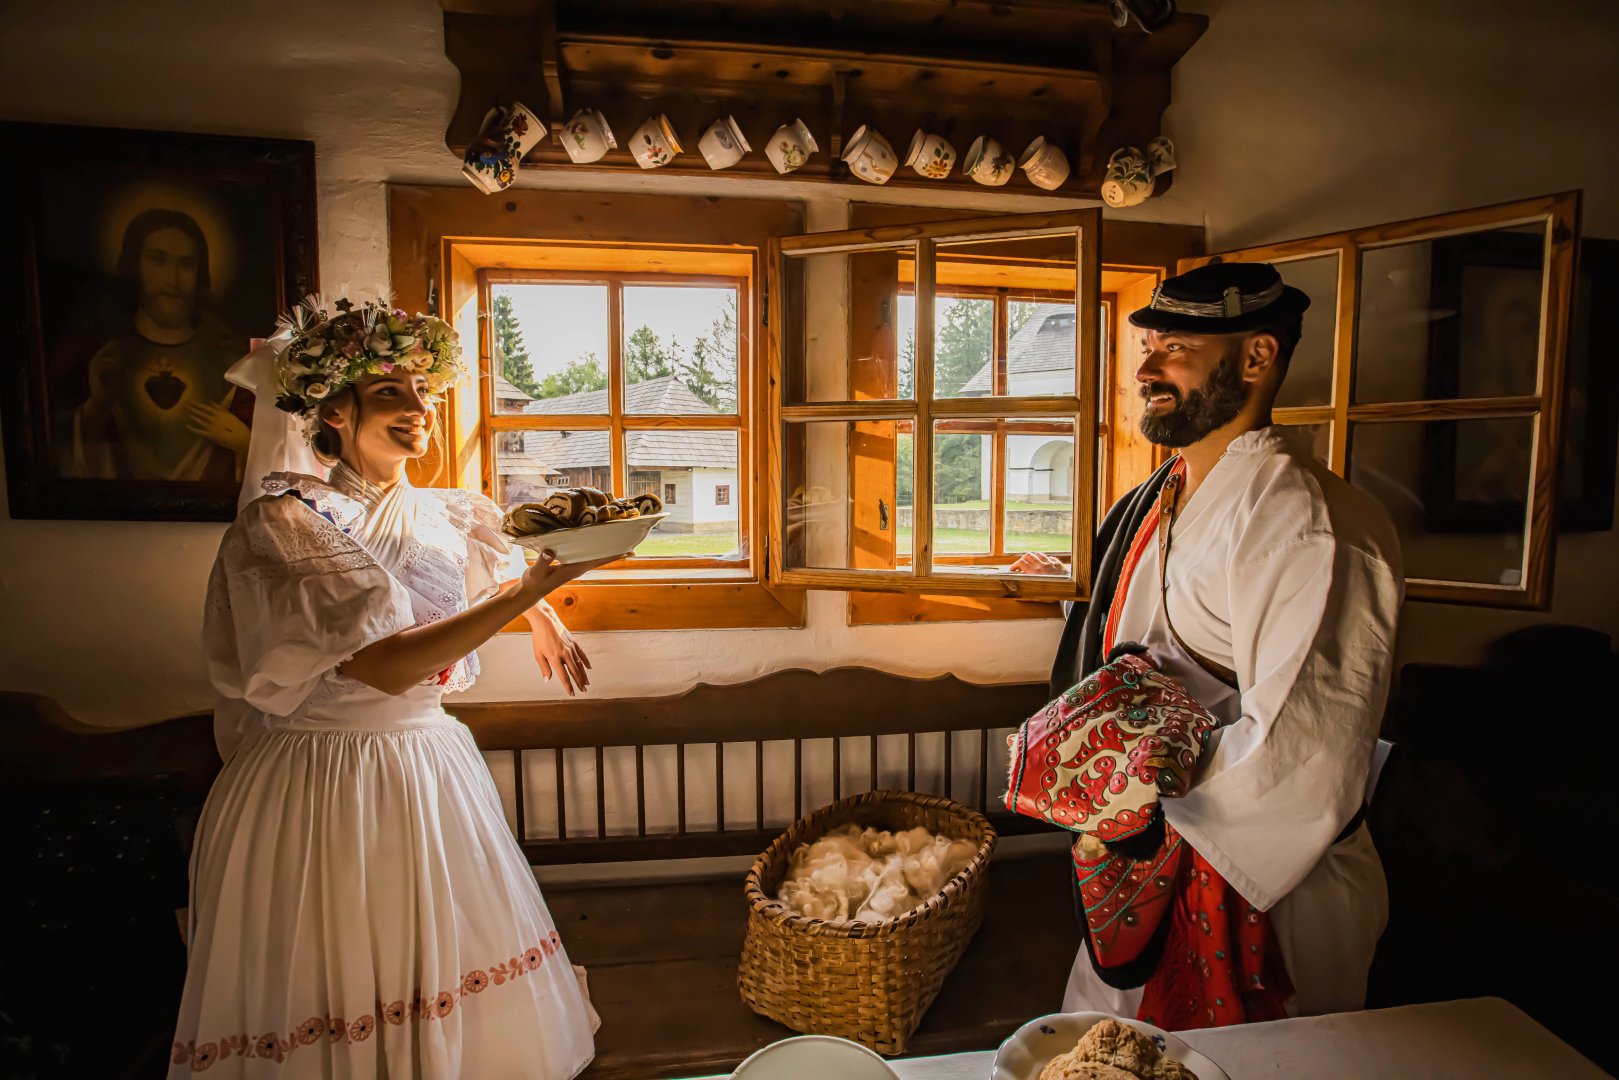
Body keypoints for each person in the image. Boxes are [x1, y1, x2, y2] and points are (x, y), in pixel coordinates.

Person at [169, 298, 615, 1078]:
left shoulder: (452, 514)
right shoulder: (285, 524)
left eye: (423, 393)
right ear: (335, 411)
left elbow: (480, 574)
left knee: (438, 949)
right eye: (390, 393)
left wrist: (539, 610)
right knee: (334, 961)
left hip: (428, 765)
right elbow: (380, 663)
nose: (418, 409)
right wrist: (528, 594)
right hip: (320, 775)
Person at [1011, 262, 1403, 1027]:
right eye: (1147, 347)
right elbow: (1143, 629)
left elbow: (1303, 754)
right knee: (1107, 1049)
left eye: (1175, 348)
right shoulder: (1165, 493)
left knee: (1249, 1065)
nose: (1145, 369)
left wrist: (1131, 802)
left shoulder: (1305, 524)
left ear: (1256, 356)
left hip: (1264, 886)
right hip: (1144, 855)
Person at [50, 208, 250, 482]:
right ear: (135, 266)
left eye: (186, 264)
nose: (173, 279)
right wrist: (97, 409)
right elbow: (45, 439)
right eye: (158, 260)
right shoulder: (97, 353)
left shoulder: (232, 360)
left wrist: (244, 442)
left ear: (200, 273)